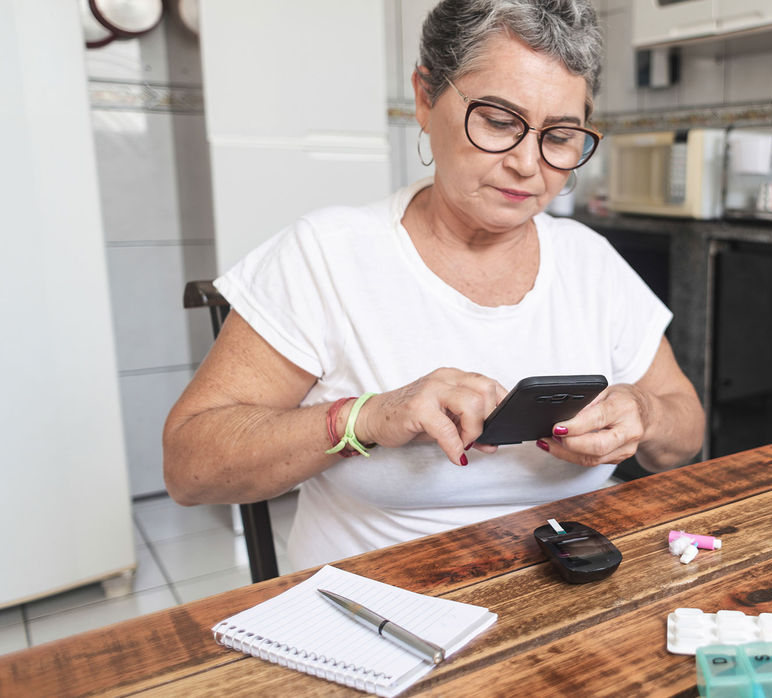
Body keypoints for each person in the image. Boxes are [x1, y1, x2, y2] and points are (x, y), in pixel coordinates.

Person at [163, 0, 704, 569]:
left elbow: (683, 432)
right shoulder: (326, 254)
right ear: (426, 98)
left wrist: (643, 411)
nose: (527, 163)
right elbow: (189, 467)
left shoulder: (589, 261)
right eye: (498, 121)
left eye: (561, 136)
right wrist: (367, 418)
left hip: (570, 594)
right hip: (380, 606)